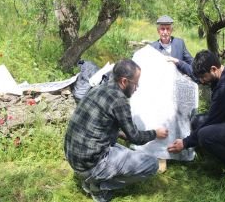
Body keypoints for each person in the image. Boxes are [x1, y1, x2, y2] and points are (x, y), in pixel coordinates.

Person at [64, 59, 168, 202]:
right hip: (89, 164)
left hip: (73, 158)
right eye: (136, 83)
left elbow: (97, 124)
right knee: (151, 164)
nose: (137, 87)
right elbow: (136, 137)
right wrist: (156, 133)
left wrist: (119, 133)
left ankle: (91, 179)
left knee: (126, 153)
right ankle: (98, 187)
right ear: (124, 81)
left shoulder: (99, 88)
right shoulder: (119, 100)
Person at [150, 15, 194, 79]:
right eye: (162, 29)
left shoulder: (179, 43)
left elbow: (191, 61)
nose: (165, 32)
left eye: (168, 29)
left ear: (171, 30)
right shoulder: (153, 47)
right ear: (158, 31)